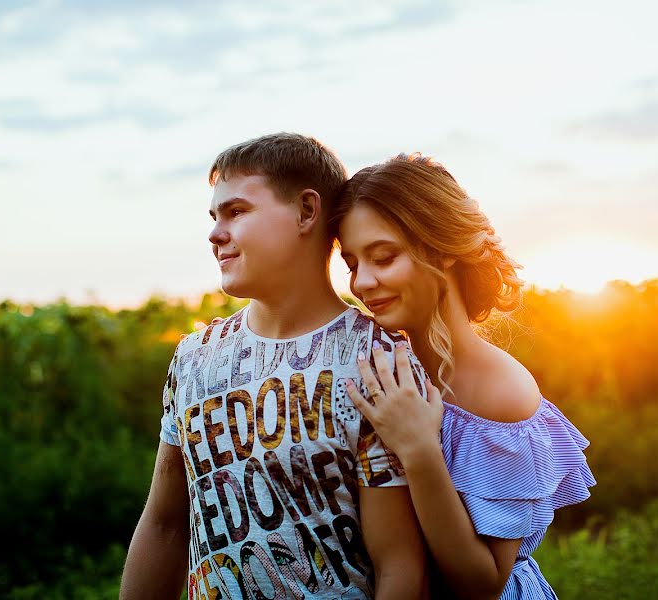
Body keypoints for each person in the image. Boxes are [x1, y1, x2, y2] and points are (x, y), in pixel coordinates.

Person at [120, 134, 430, 600]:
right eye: (213, 216)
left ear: (307, 211)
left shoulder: (376, 360)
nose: (214, 233)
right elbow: (165, 525)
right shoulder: (193, 358)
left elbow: (400, 566)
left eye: (237, 212)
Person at [330, 153, 596, 599]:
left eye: (384, 257)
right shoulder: (384, 365)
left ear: (442, 249)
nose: (363, 283)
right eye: (353, 263)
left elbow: (483, 582)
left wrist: (420, 451)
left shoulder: (499, 391)